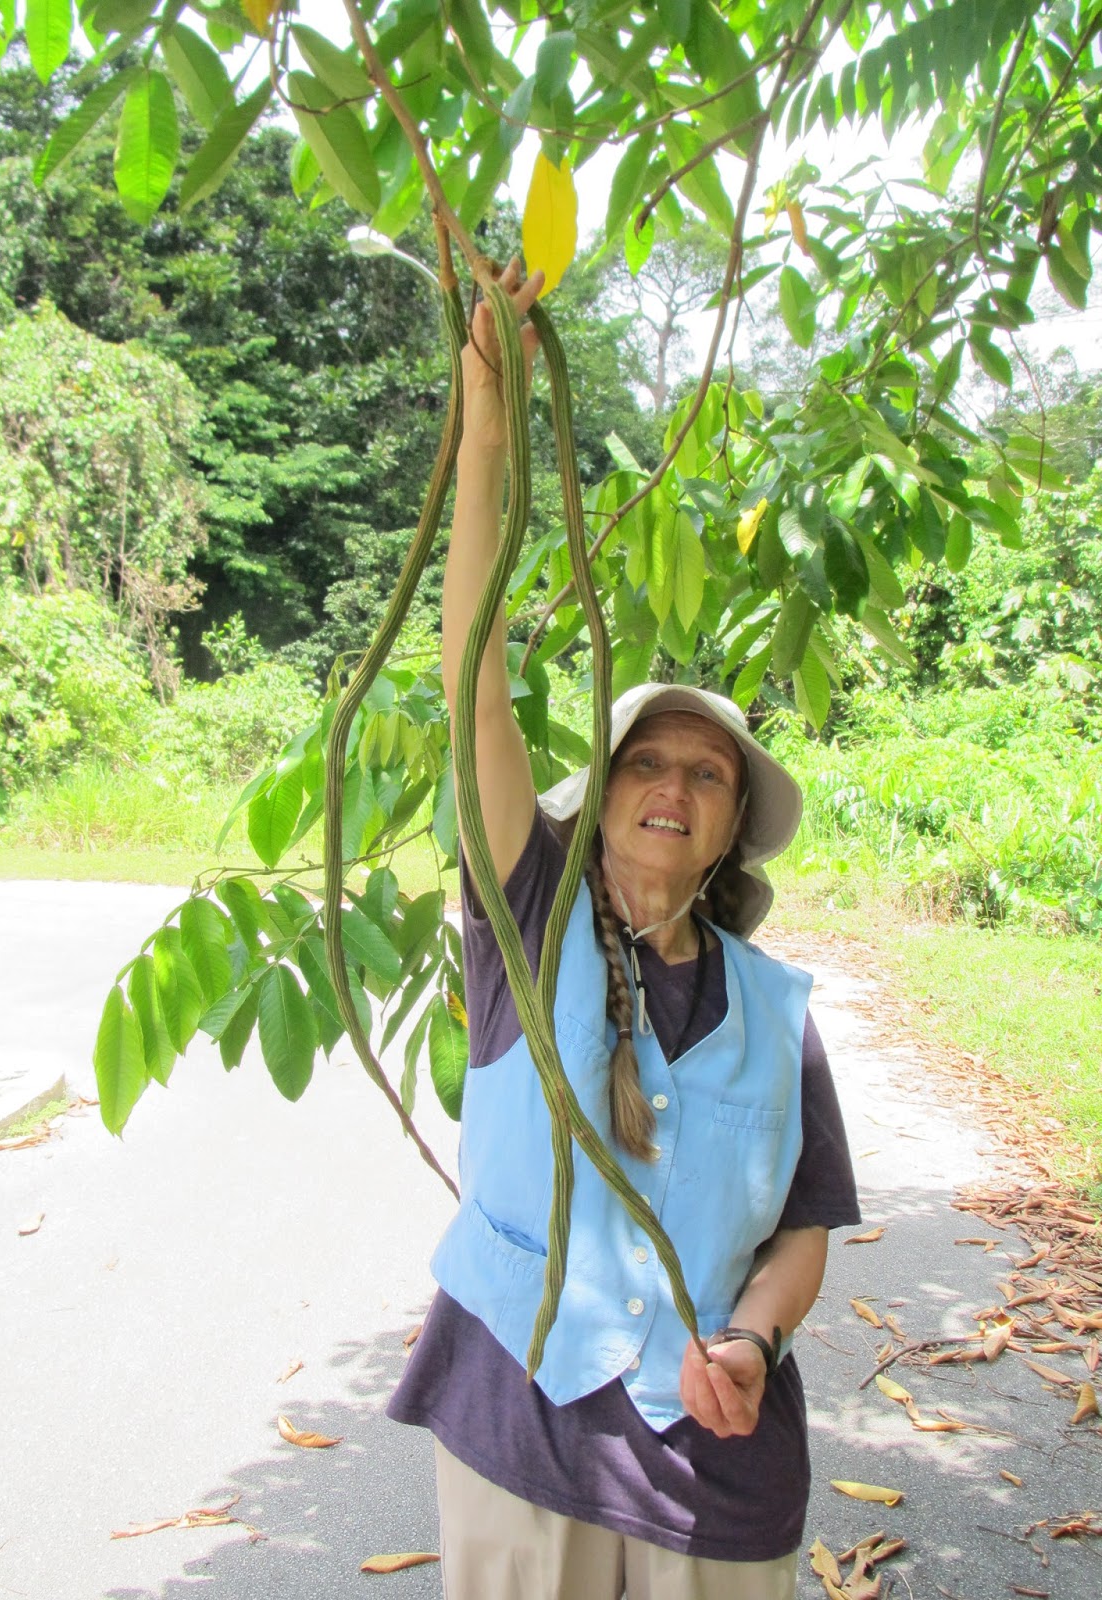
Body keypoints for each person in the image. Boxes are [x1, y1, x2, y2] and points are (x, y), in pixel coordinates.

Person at [387, 259, 861, 1600]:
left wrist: (758, 1340)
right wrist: (488, 440)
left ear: (727, 834)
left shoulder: (775, 1011)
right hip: (519, 1431)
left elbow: (805, 1228)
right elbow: (475, 682)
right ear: (595, 804)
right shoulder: (527, 920)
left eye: (704, 776)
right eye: (643, 763)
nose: (670, 786)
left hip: (715, 1458)